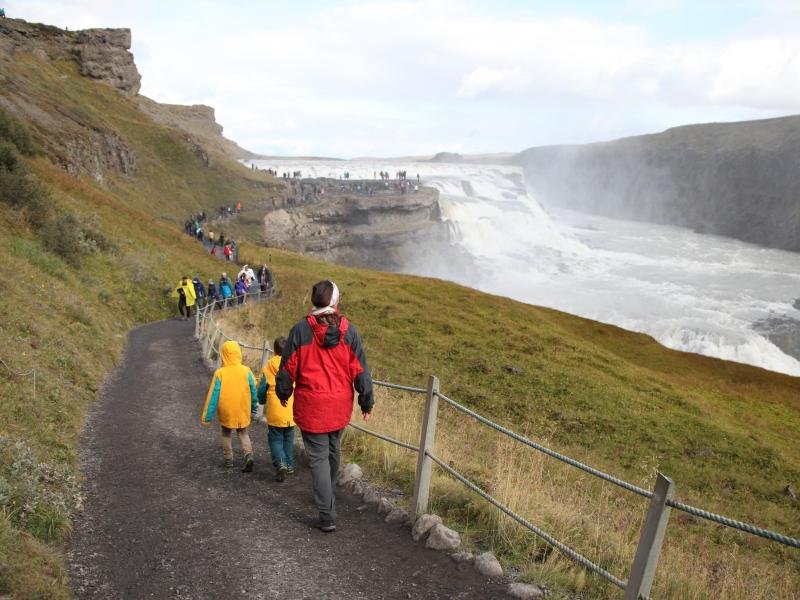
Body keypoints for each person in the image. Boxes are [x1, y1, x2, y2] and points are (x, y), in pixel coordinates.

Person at [276, 280, 373, 533]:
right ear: (335, 302)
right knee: (332, 450)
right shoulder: (349, 332)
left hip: (311, 406)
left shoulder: (299, 331)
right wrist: (366, 401)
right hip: (339, 405)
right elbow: (360, 369)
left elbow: (287, 367)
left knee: (318, 458)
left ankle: (327, 513)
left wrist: (283, 392)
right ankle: (326, 494)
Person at [201, 340, 258, 471]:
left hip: (227, 410)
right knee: (243, 432)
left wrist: (207, 417)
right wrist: (254, 405)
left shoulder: (220, 373)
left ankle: (228, 459)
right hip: (242, 408)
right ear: (238, 353)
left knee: (226, 433)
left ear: (223, 355)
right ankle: (248, 454)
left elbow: (213, 396)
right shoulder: (246, 371)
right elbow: (253, 389)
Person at [256, 337, 295, 482]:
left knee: (275, 439)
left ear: (274, 351)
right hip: (291, 409)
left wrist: (261, 401)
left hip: (275, 410)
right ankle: (290, 464)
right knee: (288, 439)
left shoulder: (268, 368)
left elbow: (261, 390)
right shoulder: (293, 366)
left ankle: (280, 462)